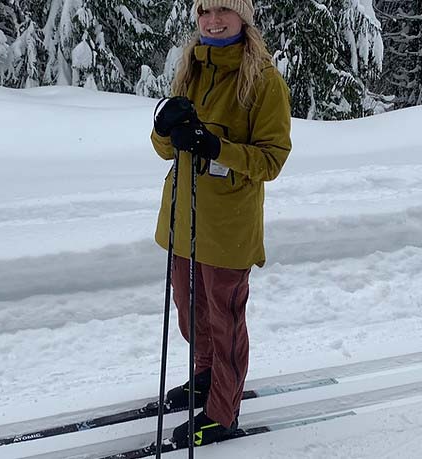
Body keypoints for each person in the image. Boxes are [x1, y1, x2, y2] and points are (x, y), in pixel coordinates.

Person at [150, 0, 293, 448]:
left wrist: (217, 146)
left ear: (243, 18)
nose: (213, 21)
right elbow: (166, 150)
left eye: (223, 12)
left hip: (229, 223)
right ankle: (206, 376)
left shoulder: (263, 79)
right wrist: (162, 129)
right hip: (182, 217)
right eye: (205, 12)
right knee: (191, 311)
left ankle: (222, 411)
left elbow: (272, 159)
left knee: (224, 318)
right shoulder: (190, 69)